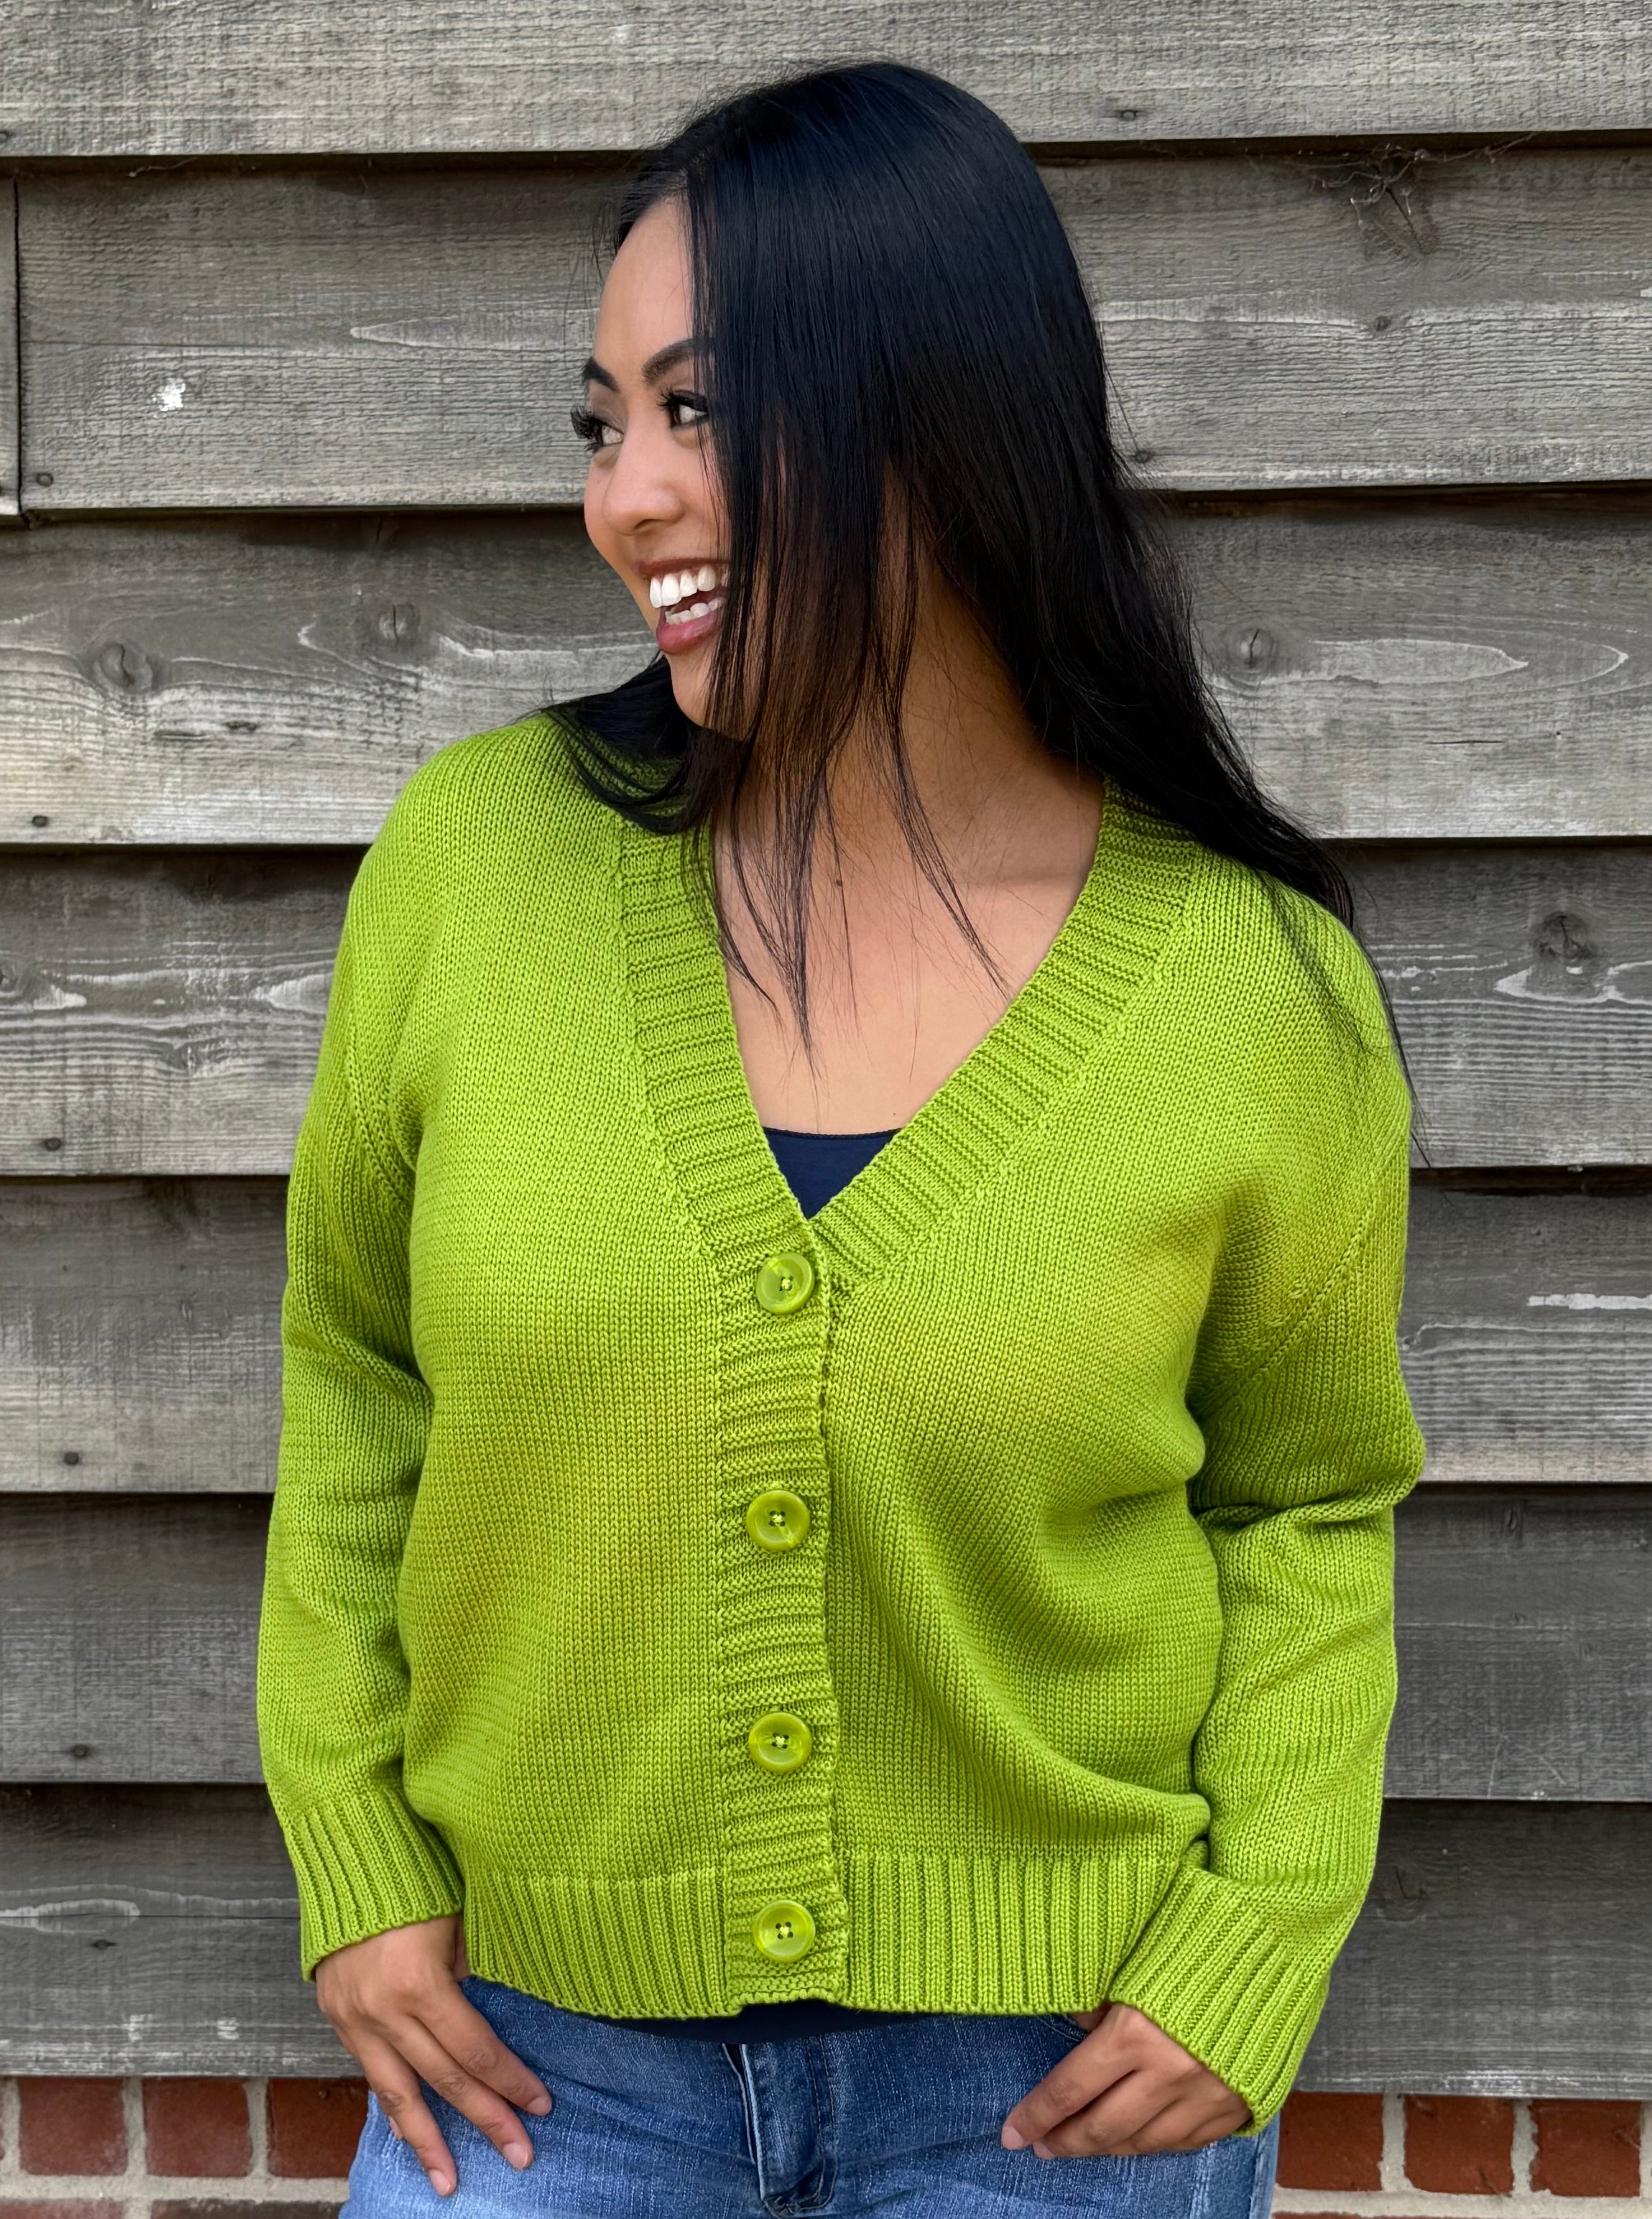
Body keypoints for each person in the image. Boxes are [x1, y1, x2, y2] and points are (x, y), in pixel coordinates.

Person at [256, 59, 1424, 2217]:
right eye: (602, 424)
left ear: (936, 419)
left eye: (698, 411)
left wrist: (1252, 1937)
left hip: (1056, 2089)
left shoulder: (1250, 990)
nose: (626, 499)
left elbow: (1303, 1504)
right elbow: (358, 1383)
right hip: (528, 2074)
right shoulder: (476, 868)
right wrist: (357, 1857)